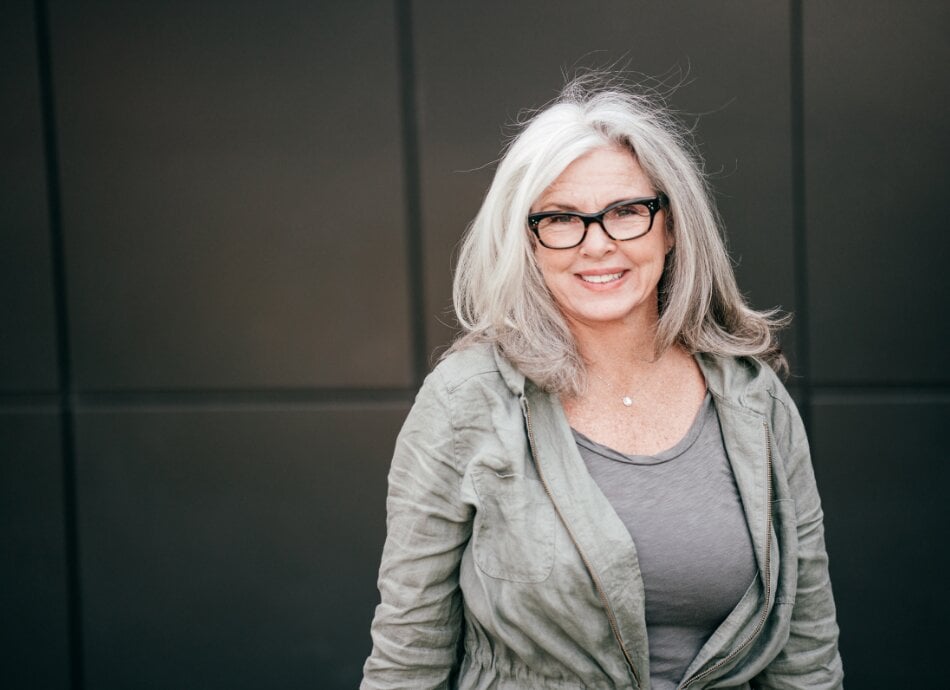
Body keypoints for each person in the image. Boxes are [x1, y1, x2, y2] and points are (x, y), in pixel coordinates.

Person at [361, 75, 843, 689]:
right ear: (527, 241)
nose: (597, 244)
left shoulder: (753, 398)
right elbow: (409, 654)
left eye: (626, 212)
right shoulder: (465, 400)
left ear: (671, 226)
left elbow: (806, 654)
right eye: (562, 218)